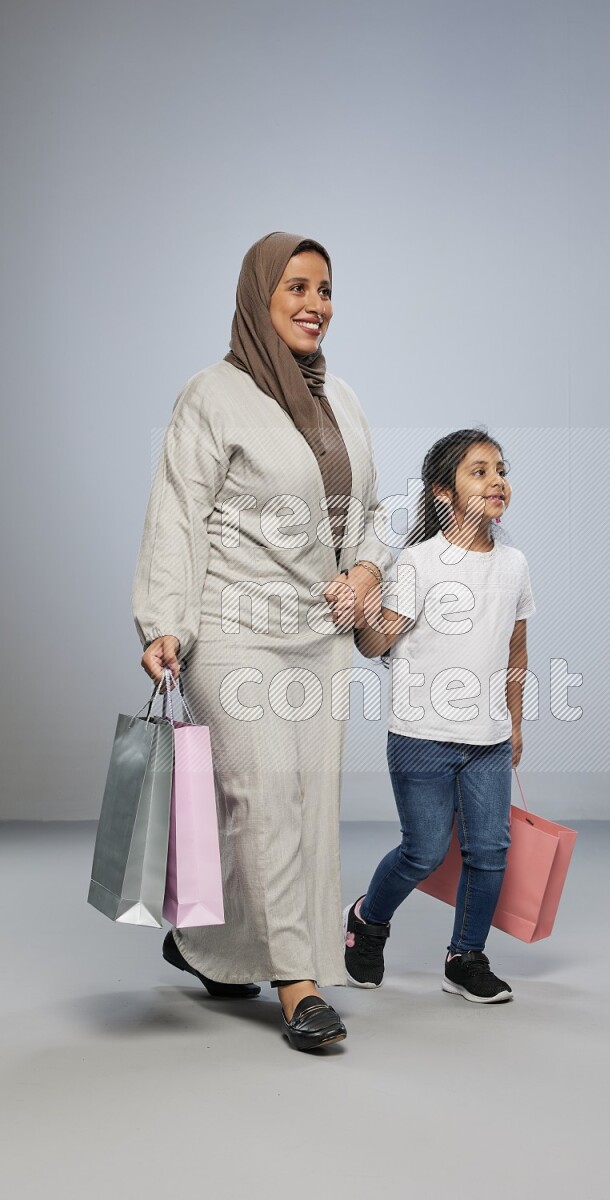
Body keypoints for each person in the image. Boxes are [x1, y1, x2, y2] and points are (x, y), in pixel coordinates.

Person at [132, 232, 390, 1051]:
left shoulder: (339, 399)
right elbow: (178, 511)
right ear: (259, 298)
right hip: (234, 629)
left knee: (299, 807)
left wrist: (367, 574)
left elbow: (372, 513)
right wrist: (164, 621)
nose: (317, 304)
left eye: (325, 289)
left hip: (320, 636)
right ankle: (297, 982)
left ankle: (208, 944)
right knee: (265, 798)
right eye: (298, 288)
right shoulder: (211, 396)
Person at [344, 429, 534, 1003]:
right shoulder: (419, 563)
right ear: (442, 494)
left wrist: (515, 722)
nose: (496, 479)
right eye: (478, 471)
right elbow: (377, 644)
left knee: (489, 849)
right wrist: (360, 607)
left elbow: (516, 651)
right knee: (424, 851)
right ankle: (367, 922)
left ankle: (465, 956)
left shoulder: (515, 564)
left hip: (488, 740)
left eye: (500, 469)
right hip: (421, 736)